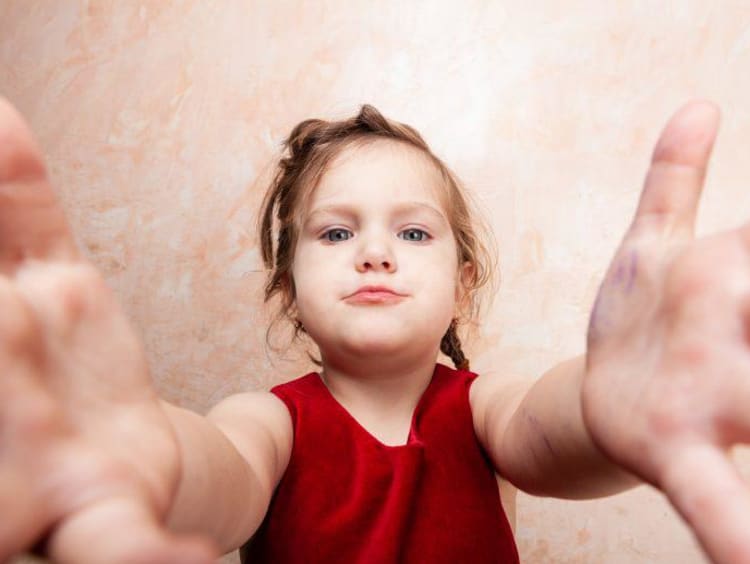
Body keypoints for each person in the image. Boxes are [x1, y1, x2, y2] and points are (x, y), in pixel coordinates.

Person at [0, 95, 749, 564]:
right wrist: (147, 458)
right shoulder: (269, 423)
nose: (376, 252)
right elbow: (216, 475)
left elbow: (552, 434)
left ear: (462, 288)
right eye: (334, 234)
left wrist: (605, 398)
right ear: (289, 291)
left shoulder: (486, 413)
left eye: (415, 234)